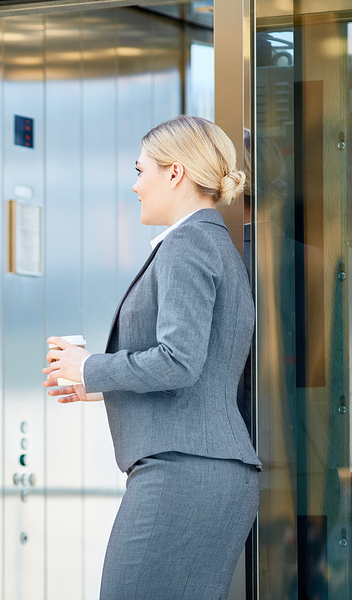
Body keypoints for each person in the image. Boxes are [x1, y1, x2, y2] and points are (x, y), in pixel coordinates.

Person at [43, 115, 261, 599]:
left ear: (176, 173)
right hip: (200, 468)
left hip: (183, 471)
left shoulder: (187, 244)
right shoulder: (208, 241)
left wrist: (89, 366)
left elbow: (179, 361)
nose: (137, 185)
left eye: (142, 170)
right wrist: (97, 385)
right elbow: (198, 369)